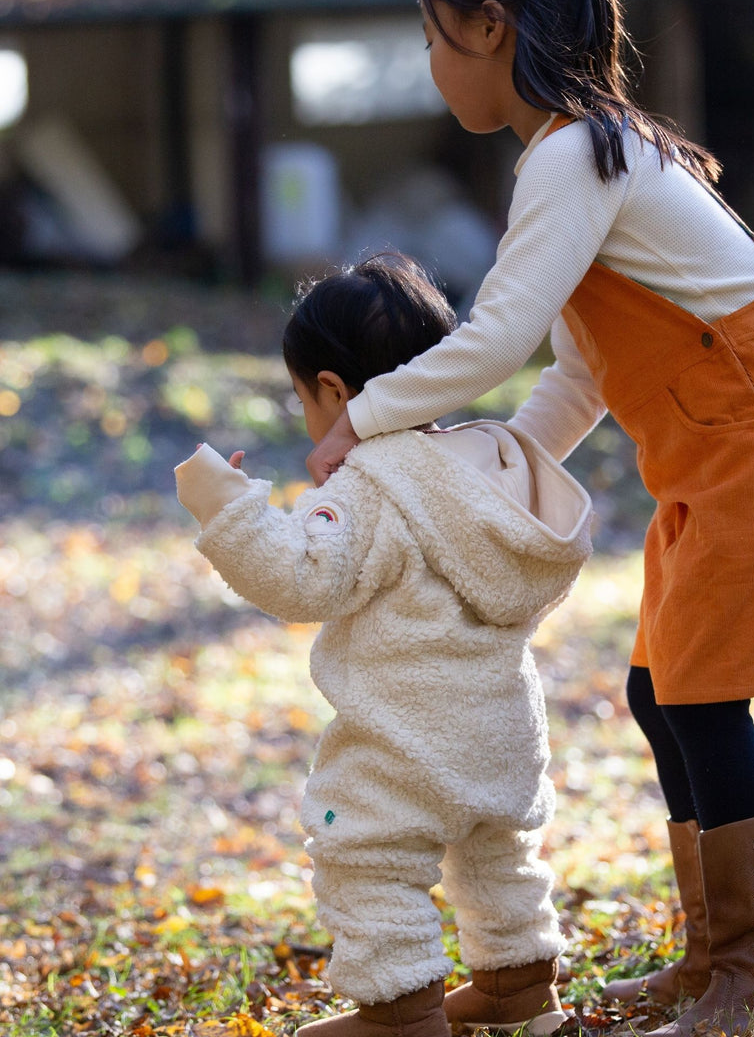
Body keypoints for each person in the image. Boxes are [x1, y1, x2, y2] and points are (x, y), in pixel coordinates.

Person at [306, 0, 754, 1035]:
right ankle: (714, 960)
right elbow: (582, 370)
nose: (432, 65)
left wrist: (359, 421)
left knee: (699, 693)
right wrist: (500, 465)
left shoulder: (574, 160)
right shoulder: (586, 156)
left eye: (435, 39)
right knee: (663, 688)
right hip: (718, 443)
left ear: (492, 29)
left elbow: (496, 337)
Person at [174, 253, 593, 1037]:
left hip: (403, 738)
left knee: (367, 861)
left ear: (333, 390)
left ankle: (401, 1013)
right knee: (497, 855)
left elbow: (305, 579)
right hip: (502, 731)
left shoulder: (371, 482)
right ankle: (521, 990)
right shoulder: (486, 461)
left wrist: (227, 510)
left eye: (304, 397)